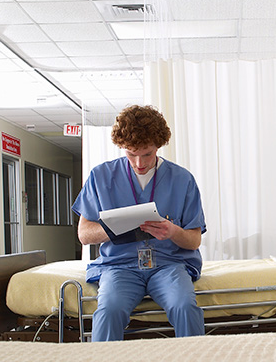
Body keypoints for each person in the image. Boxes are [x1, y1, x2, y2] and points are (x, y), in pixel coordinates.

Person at [72, 105, 206, 341]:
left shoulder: (182, 179)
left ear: (159, 146)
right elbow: (84, 234)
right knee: (108, 310)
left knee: (184, 306)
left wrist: (173, 231)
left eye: (147, 154)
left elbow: (194, 239)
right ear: (121, 147)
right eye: (131, 153)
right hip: (120, 266)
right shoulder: (101, 177)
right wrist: (115, 226)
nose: (139, 162)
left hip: (168, 264)